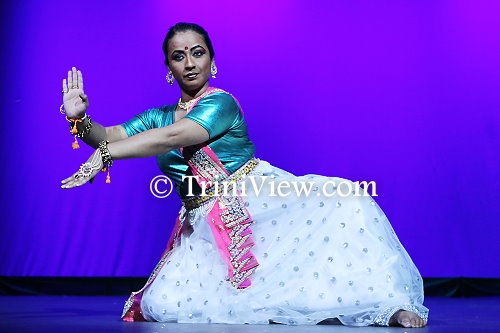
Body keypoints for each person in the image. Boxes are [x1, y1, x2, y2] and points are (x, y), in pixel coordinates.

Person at [60, 22, 429, 328]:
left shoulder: (220, 103)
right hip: (201, 223)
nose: (189, 63)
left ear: (212, 61)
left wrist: (104, 155)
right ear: (168, 69)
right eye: (178, 56)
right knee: (165, 305)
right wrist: (79, 119)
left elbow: (175, 137)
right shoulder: (156, 116)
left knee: (348, 203)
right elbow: (108, 136)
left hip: (256, 200)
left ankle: (388, 304)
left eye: (197, 52)